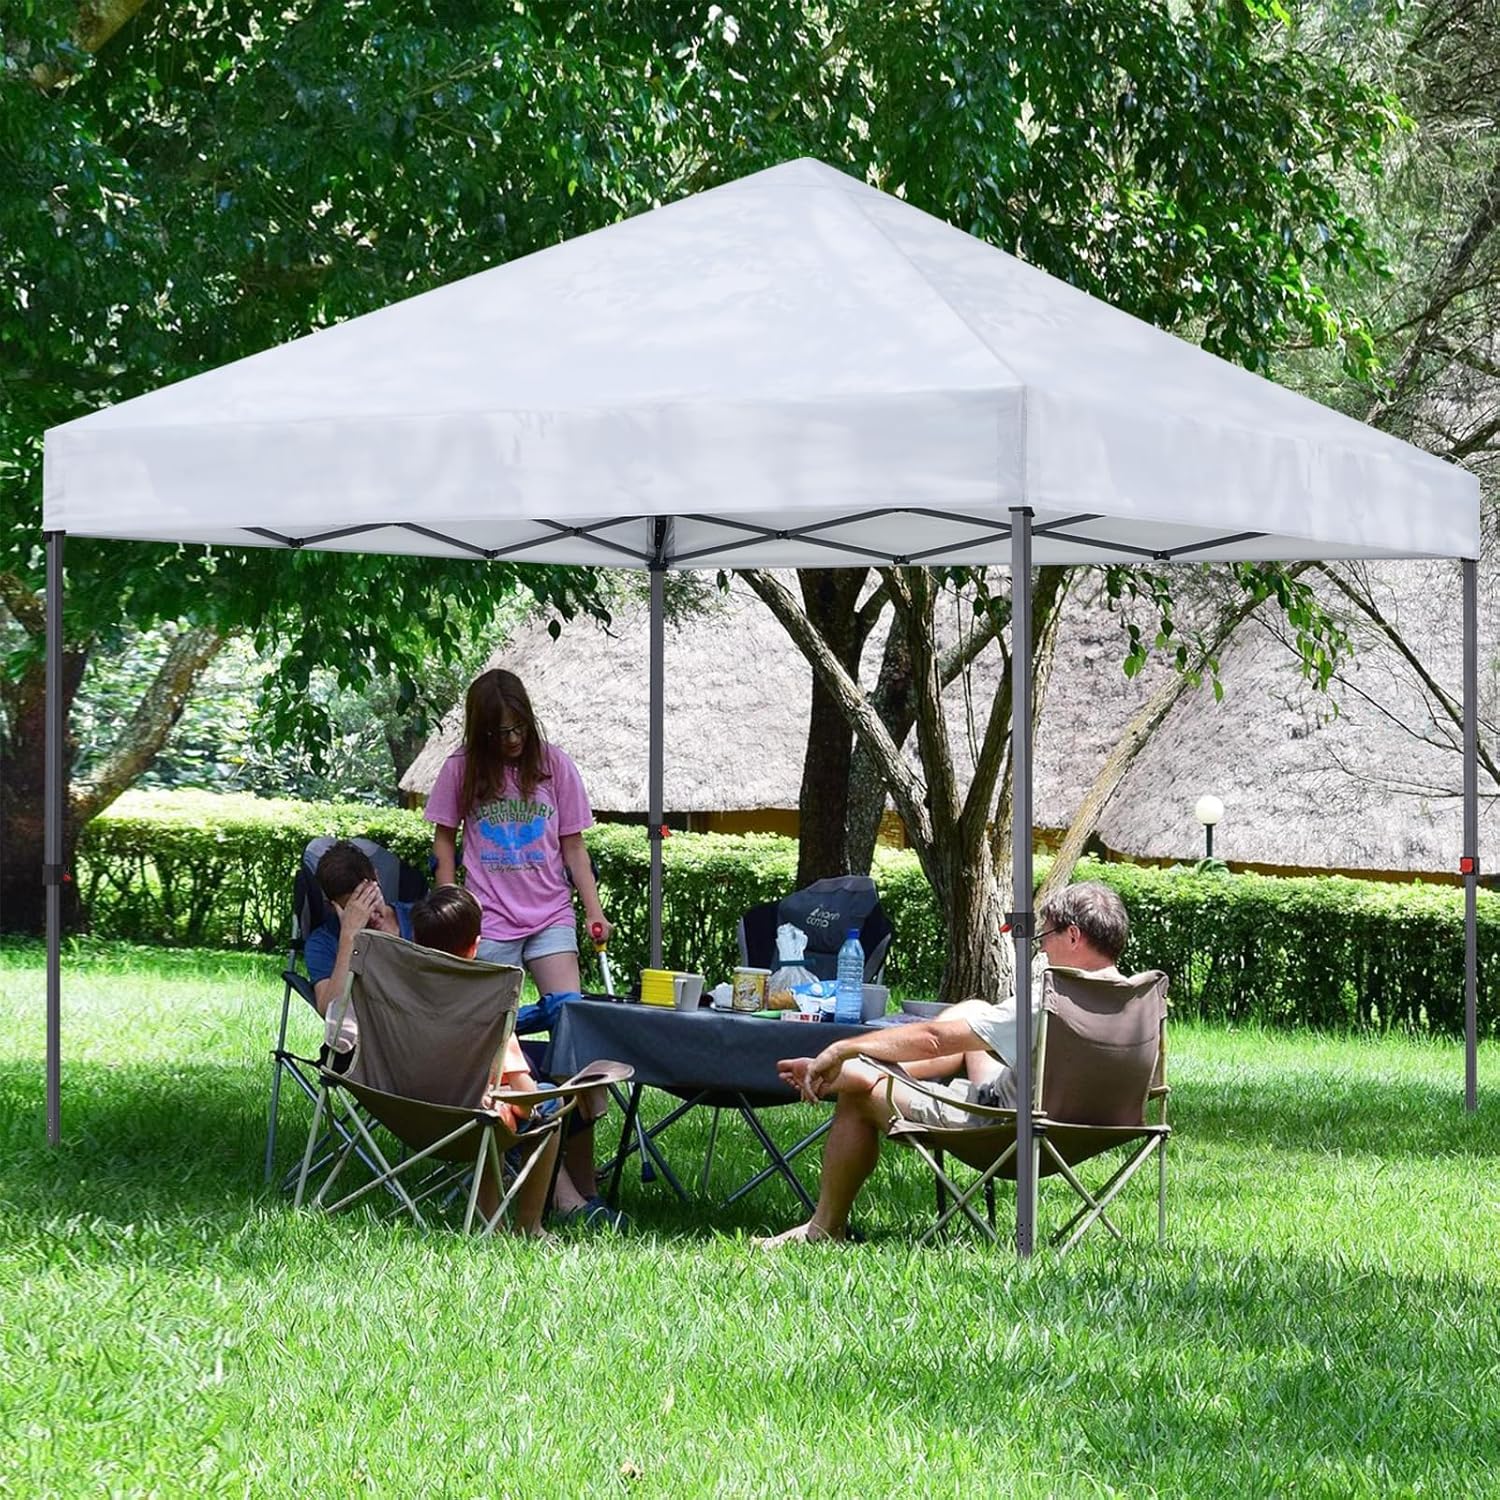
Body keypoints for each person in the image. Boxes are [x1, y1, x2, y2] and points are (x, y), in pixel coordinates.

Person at [755, 882, 1132, 1247]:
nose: (1043, 950)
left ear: (1073, 936)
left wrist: (842, 1048)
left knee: (862, 1091)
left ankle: (823, 1226)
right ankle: (856, 1069)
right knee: (974, 1011)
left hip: (1007, 1129)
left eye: (1045, 937)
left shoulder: (1051, 999)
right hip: (1085, 1128)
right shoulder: (1136, 1000)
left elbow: (934, 1038)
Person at [423, 667, 617, 1226]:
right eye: (499, 733)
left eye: (519, 729)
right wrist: (447, 901)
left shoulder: (555, 765)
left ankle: (582, 1175)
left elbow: (573, 847)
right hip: (490, 915)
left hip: (550, 912)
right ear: (480, 732)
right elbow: (443, 837)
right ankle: (526, 1168)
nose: (511, 741)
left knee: (574, 1034)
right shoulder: (461, 770)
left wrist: (594, 911)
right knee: (491, 1042)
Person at [408, 883, 560, 1237]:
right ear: (476, 946)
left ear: (416, 941)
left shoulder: (397, 985)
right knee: (542, 1102)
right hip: (468, 1122)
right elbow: (524, 1095)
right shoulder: (487, 1001)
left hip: (401, 1107)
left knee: (493, 1103)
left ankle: (492, 1219)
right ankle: (529, 1226)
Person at [304, 841, 415, 1060]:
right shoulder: (323, 942)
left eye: (369, 899)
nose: (369, 915)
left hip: (419, 1035)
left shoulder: (418, 919)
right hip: (367, 1048)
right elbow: (330, 1012)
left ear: (377, 878)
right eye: (354, 908)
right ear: (332, 906)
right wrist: (349, 936)